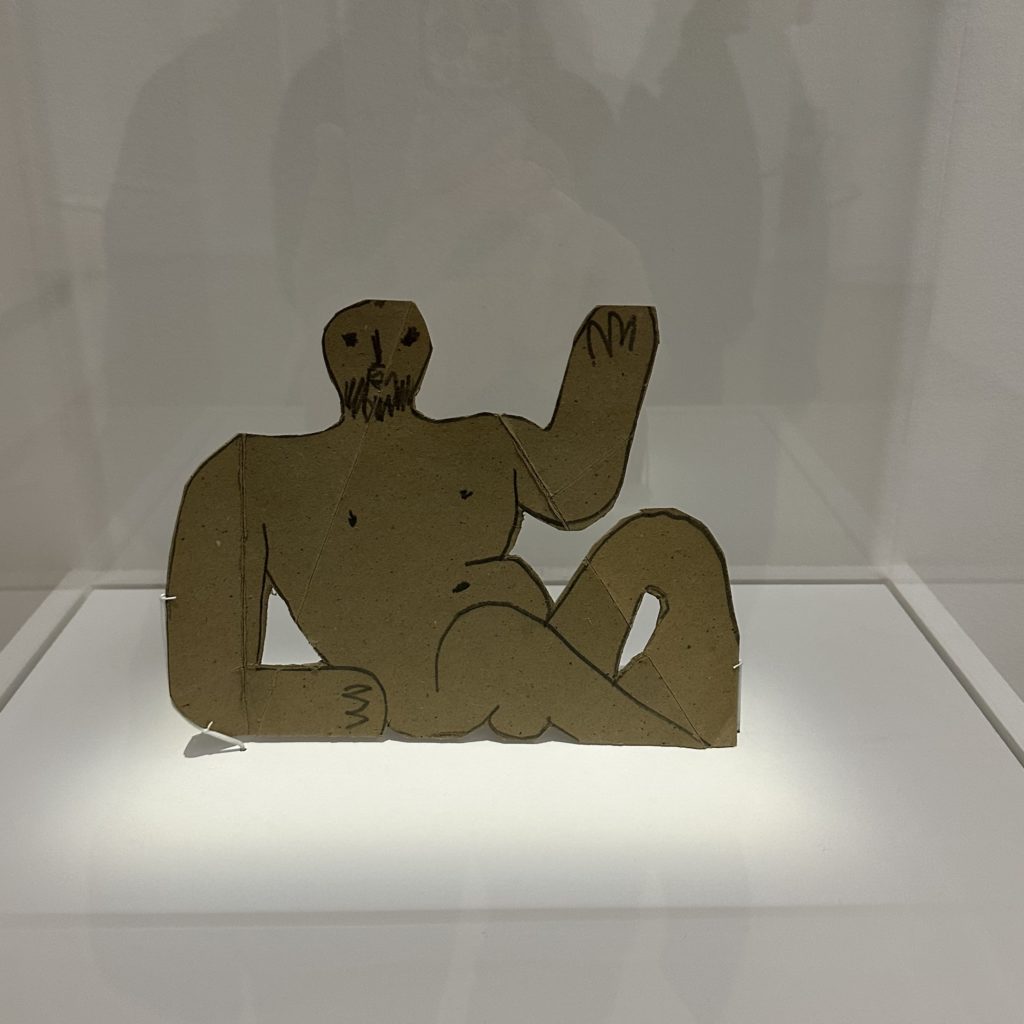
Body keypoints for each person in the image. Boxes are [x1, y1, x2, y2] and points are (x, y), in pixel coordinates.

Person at [166, 300, 738, 746]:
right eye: (355, 342)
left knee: (667, 542)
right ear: (328, 355)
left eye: (401, 340)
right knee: (494, 637)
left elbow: (575, 496)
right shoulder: (258, 471)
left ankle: (687, 711)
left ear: (424, 351)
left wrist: (610, 374)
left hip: (534, 657)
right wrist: (316, 701)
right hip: (420, 691)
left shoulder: (482, 441)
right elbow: (205, 678)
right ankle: (661, 734)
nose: (380, 357)